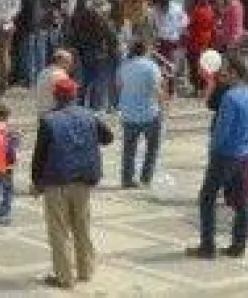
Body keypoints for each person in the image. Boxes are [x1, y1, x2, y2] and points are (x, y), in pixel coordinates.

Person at [30, 75, 112, 289]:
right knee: (82, 226)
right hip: (84, 180)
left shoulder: (48, 121)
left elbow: (39, 156)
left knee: (59, 230)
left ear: (56, 97)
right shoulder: (89, 116)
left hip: (57, 181)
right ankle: (86, 269)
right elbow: (108, 137)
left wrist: (36, 182)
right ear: (75, 95)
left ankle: (65, 277)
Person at [186, 55, 248, 260]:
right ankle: (239, 245)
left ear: (235, 73)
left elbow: (221, 131)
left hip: (226, 154)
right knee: (242, 201)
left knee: (207, 198)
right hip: (244, 153)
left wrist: (213, 150)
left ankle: (207, 245)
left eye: (226, 70)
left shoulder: (230, 97)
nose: (223, 73)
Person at [116, 39, 164, 189]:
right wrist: (165, 105)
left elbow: (118, 86)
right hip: (149, 112)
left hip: (128, 112)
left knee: (129, 149)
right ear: (146, 50)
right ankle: (146, 178)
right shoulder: (152, 66)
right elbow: (157, 90)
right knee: (152, 148)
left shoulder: (123, 66)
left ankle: (127, 178)